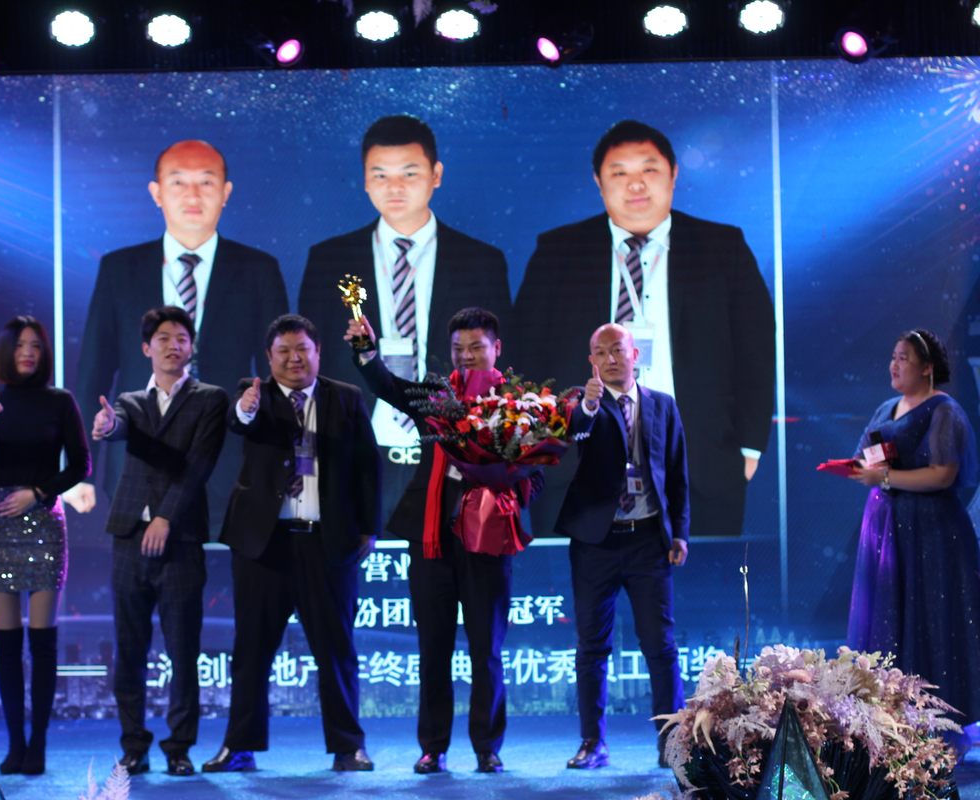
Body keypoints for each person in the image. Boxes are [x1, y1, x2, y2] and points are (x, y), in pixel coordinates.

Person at [514, 119, 773, 538]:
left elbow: (756, 351)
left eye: (649, 169)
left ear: (673, 174)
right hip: (577, 468)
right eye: (619, 173)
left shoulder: (722, 247)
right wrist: (536, 447)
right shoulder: (558, 252)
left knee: (698, 578)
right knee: (581, 579)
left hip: (699, 464)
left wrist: (747, 448)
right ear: (598, 182)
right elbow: (525, 352)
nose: (635, 185)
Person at [345, 306, 531, 774]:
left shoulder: (518, 405)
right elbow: (388, 386)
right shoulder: (436, 395)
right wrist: (365, 350)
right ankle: (433, 747)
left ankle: (487, 747)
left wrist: (508, 489)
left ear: (496, 348)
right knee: (433, 650)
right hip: (431, 539)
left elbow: (536, 469)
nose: (466, 355)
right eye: (458, 348)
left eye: (476, 347)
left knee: (487, 651)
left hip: (488, 539)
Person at [298, 115, 511, 518]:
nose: (394, 187)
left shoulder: (481, 261)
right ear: (364, 180)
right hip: (356, 443)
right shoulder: (329, 259)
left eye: (409, 173)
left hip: (453, 447)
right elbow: (313, 360)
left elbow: (504, 359)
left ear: (436, 175)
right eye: (380, 175)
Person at [76, 139, 288, 528]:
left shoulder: (258, 269)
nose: (192, 195)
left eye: (206, 182)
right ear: (156, 193)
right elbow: (94, 372)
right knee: (141, 565)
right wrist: (82, 468)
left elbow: (279, 375)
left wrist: (281, 463)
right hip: (139, 460)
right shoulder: (119, 269)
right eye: (178, 182)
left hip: (231, 461)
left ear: (225, 192)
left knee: (231, 563)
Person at [202, 314, 380, 774]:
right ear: (269, 357)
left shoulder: (346, 397)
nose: (294, 358)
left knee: (336, 649)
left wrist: (369, 528)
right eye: (283, 351)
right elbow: (239, 422)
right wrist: (245, 407)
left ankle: (349, 746)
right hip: (264, 545)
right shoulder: (254, 394)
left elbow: (367, 466)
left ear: (318, 352)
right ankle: (238, 746)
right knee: (251, 650)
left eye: (302, 349)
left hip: (327, 542)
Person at [91, 306, 229, 777]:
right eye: (164, 338)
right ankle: (134, 745)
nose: (174, 345)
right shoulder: (130, 401)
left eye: (182, 338)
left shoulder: (210, 399)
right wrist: (106, 427)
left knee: (183, 649)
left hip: (181, 538)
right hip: (130, 535)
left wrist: (166, 517)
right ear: (146, 348)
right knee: (129, 648)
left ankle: (179, 747)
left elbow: (198, 465)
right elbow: (119, 426)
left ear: (192, 348)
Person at [556, 323, 689, 770]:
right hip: (595, 543)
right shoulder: (584, 406)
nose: (610, 359)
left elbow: (677, 474)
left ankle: (671, 743)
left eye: (618, 350)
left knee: (660, 645)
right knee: (591, 647)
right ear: (591, 361)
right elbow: (573, 435)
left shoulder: (663, 405)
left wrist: (680, 532)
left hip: (649, 541)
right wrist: (589, 405)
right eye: (600, 352)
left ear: (636, 355)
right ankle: (592, 743)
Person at [846, 328, 980, 757]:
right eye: (893, 356)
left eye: (903, 358)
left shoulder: (944, 411)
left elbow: (943, 474)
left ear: (927, 367)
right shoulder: (886, 408)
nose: (894, 364)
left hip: (931, 533)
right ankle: (887, 719)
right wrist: (862, 469)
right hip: (886, 529)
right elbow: (867, 458)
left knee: (931, 620)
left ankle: (939, 725)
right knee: (887, 618)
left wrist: (885, 477)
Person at [0, 315, 91, 775]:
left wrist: (39, 493)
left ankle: (37, 744)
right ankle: (14, 745)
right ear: (7, 350)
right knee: (7, 643)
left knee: (41, 643)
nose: (28, 352)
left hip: (42, 519)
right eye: (20, 345)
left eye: (36, 346)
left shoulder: (60, 401)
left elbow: (80, 465)